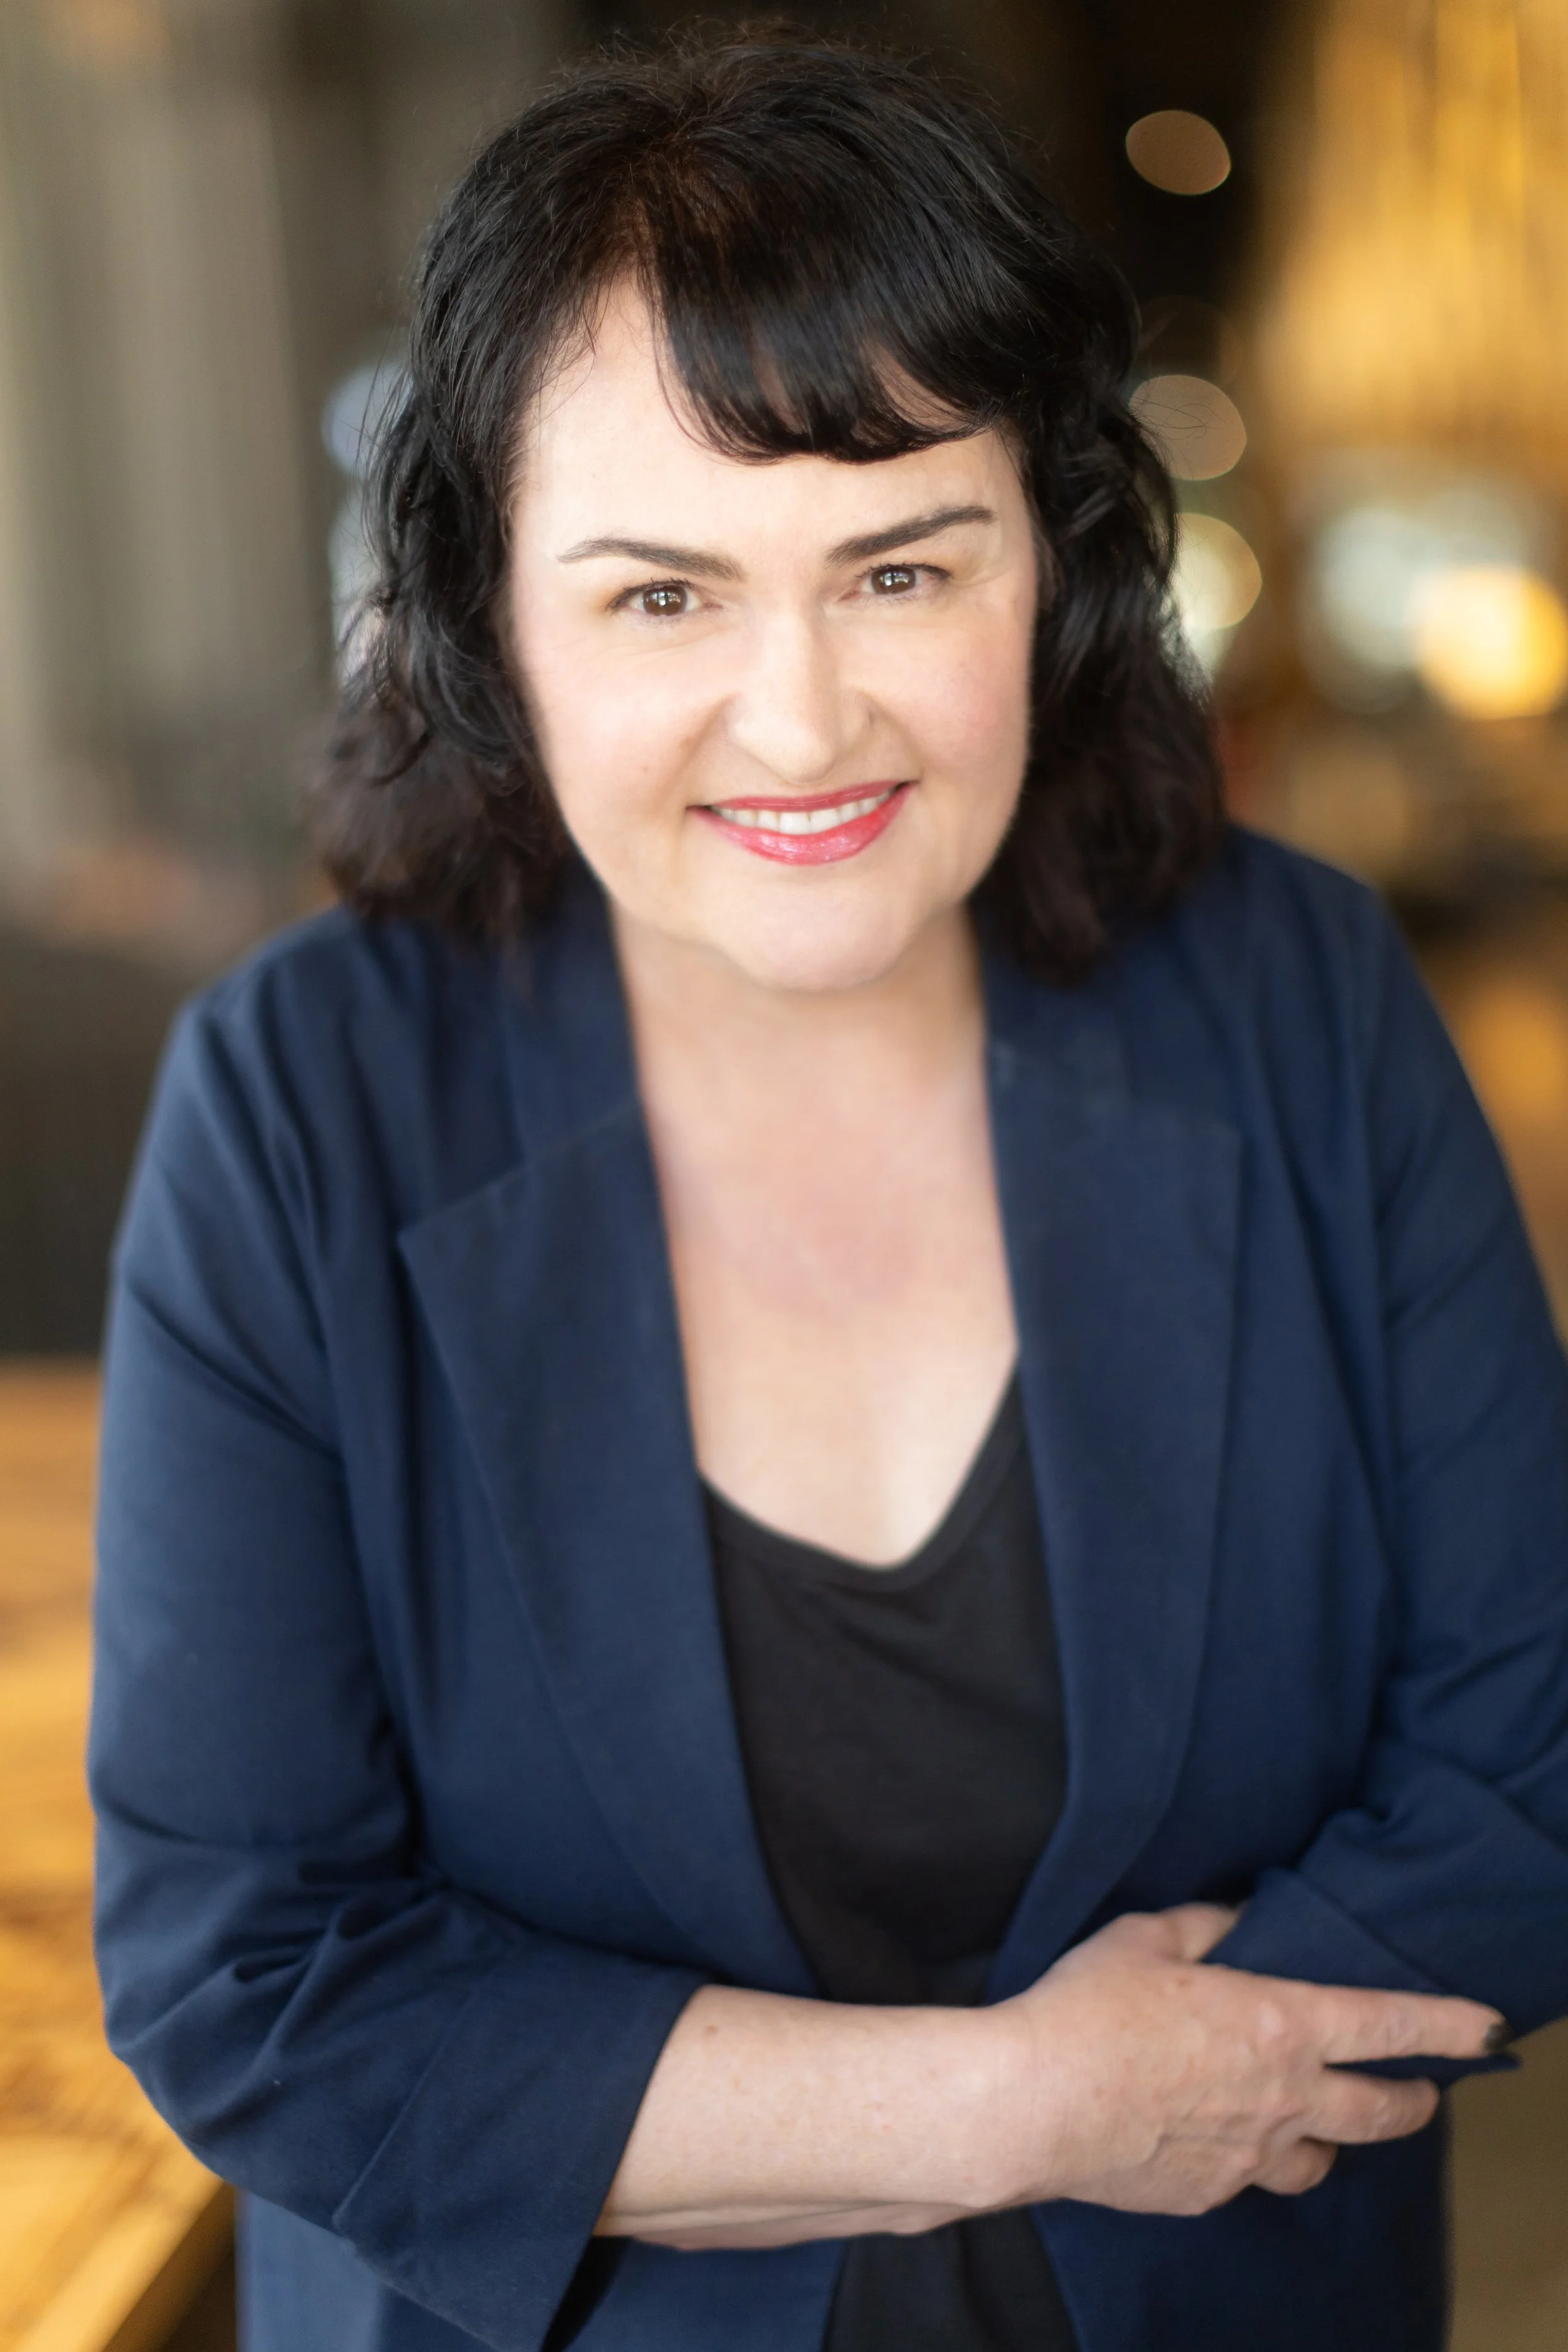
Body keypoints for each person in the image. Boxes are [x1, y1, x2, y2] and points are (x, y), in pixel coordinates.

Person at [90, 34, 1568, 2352]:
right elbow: (256, 1979)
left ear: (1055, 571)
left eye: (897, 565)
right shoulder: (302, 1096)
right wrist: (1021, 2106)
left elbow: (1530, 1759)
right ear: (492, 626)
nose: (801, 722)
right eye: (661, 598)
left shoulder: (1294, 992)